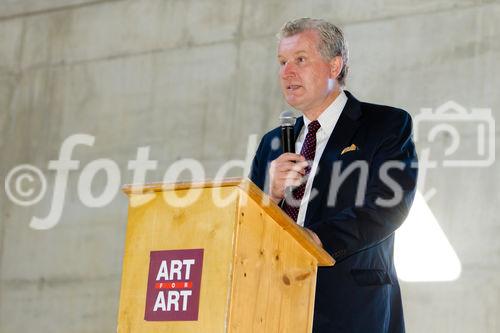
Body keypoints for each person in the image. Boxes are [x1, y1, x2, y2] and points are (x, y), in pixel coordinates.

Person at [250, 18, 418, 333]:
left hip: (351, 307)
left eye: (300, 59)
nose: (287, 72)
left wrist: (316, 240)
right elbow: (249, 230)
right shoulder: (272, 143)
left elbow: (388, 206)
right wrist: (268, 196)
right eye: (282, 62)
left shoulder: (385, 125)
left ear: (334, 65)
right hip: (273, 306)